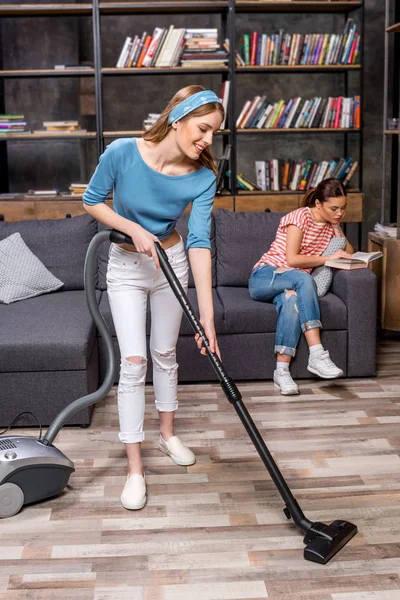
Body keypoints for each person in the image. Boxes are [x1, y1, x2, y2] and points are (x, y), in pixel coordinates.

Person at [83, 85, 224, 510]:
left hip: (173, 264)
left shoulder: (203, 177)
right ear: (178, 118)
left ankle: (167, 436)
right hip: (126, 267)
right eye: (203, 129)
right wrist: (134, 228)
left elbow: (199, 242)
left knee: (164, 353)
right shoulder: (123, 152)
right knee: (133, 363)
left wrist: (207, 318)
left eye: (215, 133)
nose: (208, 140)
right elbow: (92, 201)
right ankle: (134, 470)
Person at [248, 178, 354, 396]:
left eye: (343, 208)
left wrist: (337, 227)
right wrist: (327, 259)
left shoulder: (331, 226)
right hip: (266, 276)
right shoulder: (300, 217)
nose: (339, 213)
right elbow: (293, 259)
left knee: (293, 300)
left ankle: (281, 371)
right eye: (334, 208)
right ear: (318, 204)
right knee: (305, 280)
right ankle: (317, 353)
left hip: (292, 283)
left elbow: (349, 253)